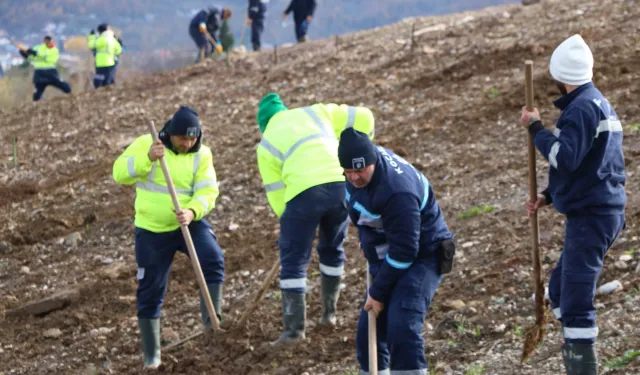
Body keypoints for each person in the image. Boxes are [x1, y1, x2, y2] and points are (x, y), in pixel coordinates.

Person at [521, 34, 626, 375]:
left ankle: (583, 367)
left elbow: (563, 158)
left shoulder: (580, 110)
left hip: (593, 217)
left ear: (560, 75)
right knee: (560, 289)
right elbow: (590, 165)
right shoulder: (597, 103)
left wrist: (536, 128)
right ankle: (575, 353)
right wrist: (548, 196)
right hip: (598, 212)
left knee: (576, 300)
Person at [256, 93, 375, 345]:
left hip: (302, 195)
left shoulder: (267, 142)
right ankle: (328, 316)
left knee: (294, 260)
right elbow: (365, 116)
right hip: (339, 184)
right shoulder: (315, 111)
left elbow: (278, 194)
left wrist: (292, 228)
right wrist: (365, 148)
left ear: (264, 124)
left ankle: (294, 333)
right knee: (332, 248)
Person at [112, 106, 224, 369]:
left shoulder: (202, 155)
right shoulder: (146, 144)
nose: (188, 144)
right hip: (151, 230)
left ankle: (212, 327)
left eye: (192, 139)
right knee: (150, 289)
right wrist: (147, 159)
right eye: (182, 139)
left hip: (187, 223)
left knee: (213, 260)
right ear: (170, 134)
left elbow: (209, 191)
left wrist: (192, 210)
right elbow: (119, 173)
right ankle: (152, 357)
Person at [337, 128, 454, 375]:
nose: (354, 177)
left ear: (373, 161)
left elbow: (405, 251)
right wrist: (368, 244)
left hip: (424, 253)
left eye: (360, 171)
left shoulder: (397, 191)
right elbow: (361, 212)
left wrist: (378, 293)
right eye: (349, 172)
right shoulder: (354, 175)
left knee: (402, 326)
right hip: (390, 249)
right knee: (367, 334)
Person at [16, 35, 71, 102]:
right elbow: (30, 58)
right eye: (47, 40)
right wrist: (23, 52)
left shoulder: (54, 50)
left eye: (49, 40)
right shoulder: (38, 48)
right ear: (44, 41)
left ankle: (72, 97)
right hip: (39, 73)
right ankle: (36, 106)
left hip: (50, 73)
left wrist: (33, 52)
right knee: (37, 95)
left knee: (66, 88)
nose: (48, 42)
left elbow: (46, 57)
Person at [88, 23, 122, 88]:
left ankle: (98, 91)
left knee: (98, 80)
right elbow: (119, 50)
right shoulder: (112, 40)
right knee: (108, 80)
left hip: (100, 63)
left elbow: (91, 45)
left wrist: (92, 37)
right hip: (110, 63)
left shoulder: (100, 39)